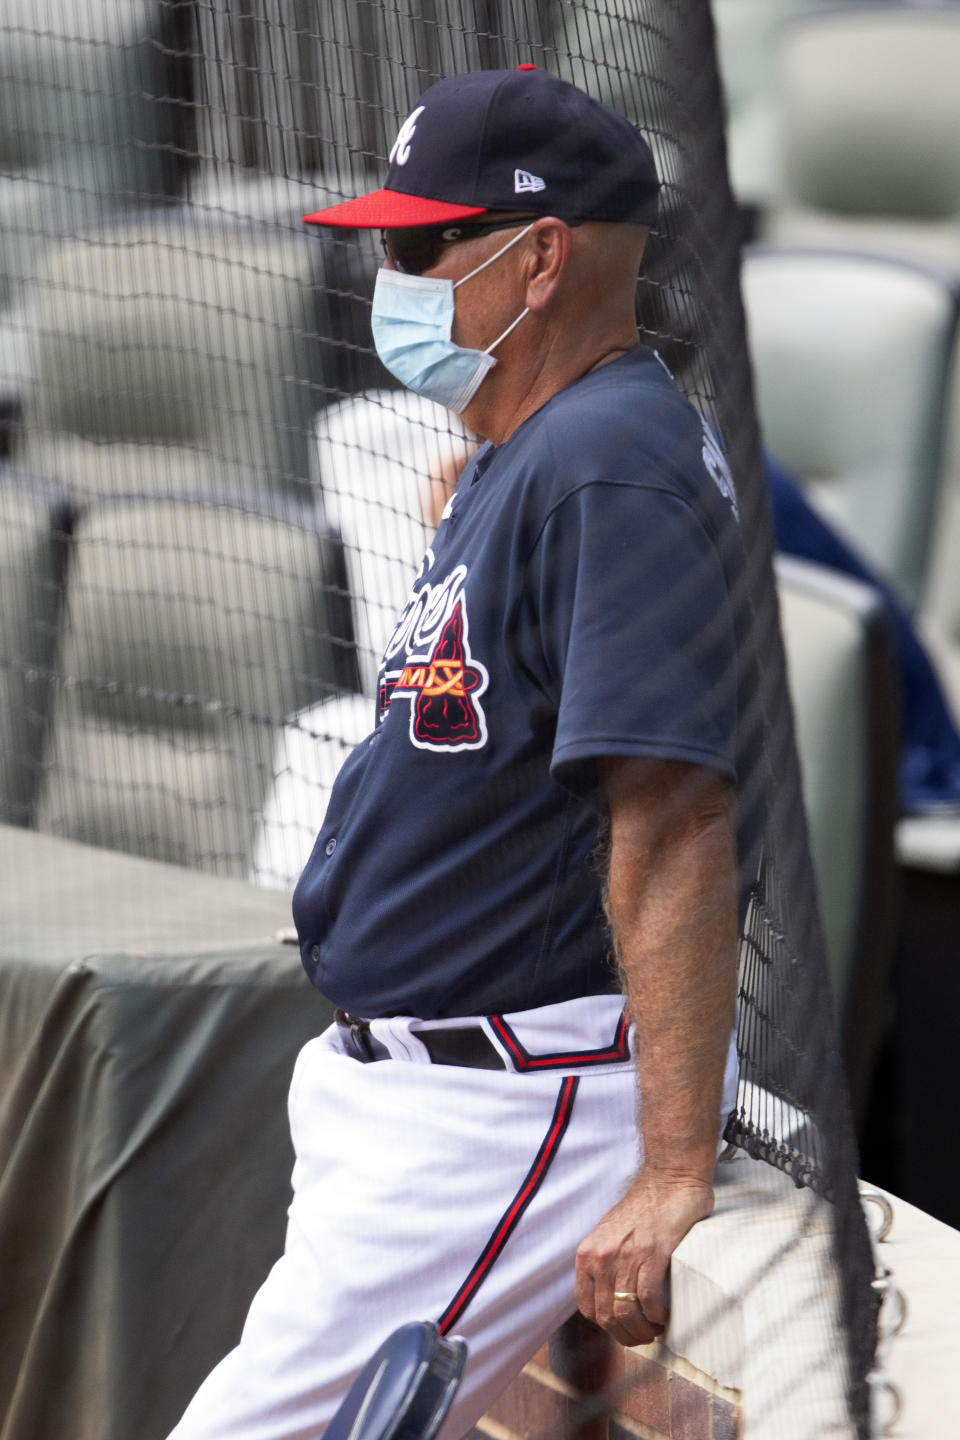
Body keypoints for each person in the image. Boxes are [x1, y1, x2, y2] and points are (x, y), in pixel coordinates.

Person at [168, 66, 758, 1440]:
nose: (391, 275)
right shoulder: (533, 447)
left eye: (418, 244)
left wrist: (673, 1174)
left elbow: (671, 821)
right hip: (424, 1097)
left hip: (511, 1107)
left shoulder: (608, 466)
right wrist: (489, 485)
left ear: (540, 256)